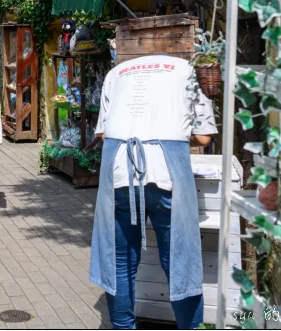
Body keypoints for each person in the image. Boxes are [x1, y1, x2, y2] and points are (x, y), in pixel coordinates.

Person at [89, 51, 217, 330]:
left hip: (120, 168)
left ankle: (123, 326)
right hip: (166, 170)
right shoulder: (192, 71)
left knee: (120, 259)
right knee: (179, 258)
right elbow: (205, 137)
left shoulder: (117, 73)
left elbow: (102, 133)